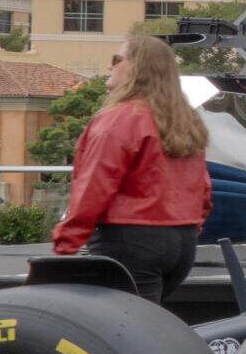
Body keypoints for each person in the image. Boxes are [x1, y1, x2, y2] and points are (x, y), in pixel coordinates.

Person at [53, 35, 213, 302]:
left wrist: (65, 245)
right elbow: (203, 188)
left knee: (121, 332)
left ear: (137, 67)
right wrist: (188, 229)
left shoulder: (120, 117)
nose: (110, 66)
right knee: (148, 326)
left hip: (131, 239)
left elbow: (95, 183)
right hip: (182, 240)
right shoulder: (184, 120)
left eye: (117, 59)